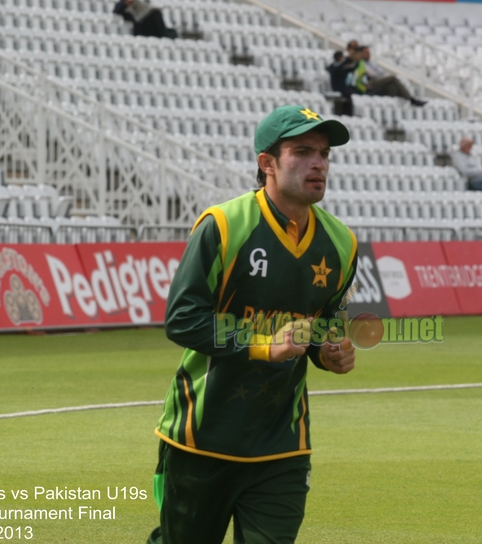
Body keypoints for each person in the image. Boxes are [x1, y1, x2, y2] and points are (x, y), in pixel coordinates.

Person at [147, 104, 359, 544]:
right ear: (267, 163)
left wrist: (328, 352)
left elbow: (320, 328)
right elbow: (182, 320)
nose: (318, 162)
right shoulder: (222, 226)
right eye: (302, 151)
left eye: (324, 153)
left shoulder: (341, 243)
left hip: (283, 442)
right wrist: (264, 345)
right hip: (201, 437)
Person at [349, 45, 426, 106]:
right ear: (361, 53)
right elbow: (372, 74)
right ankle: (411, 99)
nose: (369, 54)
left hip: (379, 81)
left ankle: (396, 108)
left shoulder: (371, 63)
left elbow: (381, 72)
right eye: (366, 52)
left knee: (392, 87)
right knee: (393, 78)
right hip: (371, 83)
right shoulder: (361, 63)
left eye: (369, 52)